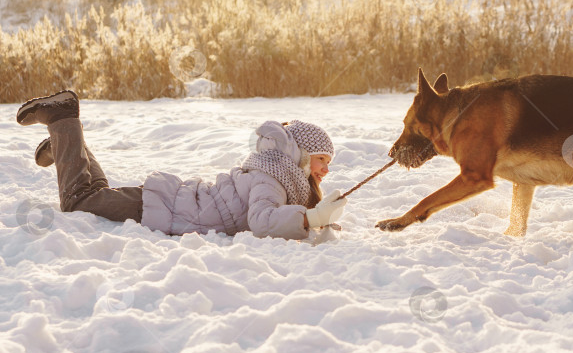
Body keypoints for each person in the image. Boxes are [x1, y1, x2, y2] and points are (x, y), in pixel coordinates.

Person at [16, 90, 347, 240]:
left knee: (94, 193)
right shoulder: (271, 177)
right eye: (322, 160)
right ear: (301, 152)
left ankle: (67, 146)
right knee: (78, 202)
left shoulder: (280, 175)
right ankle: (62, 121)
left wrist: (320, 218)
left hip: (173, 202)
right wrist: (313, 217)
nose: (325, 170)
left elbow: (278, 214)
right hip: (169, 209)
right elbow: (262, 220)